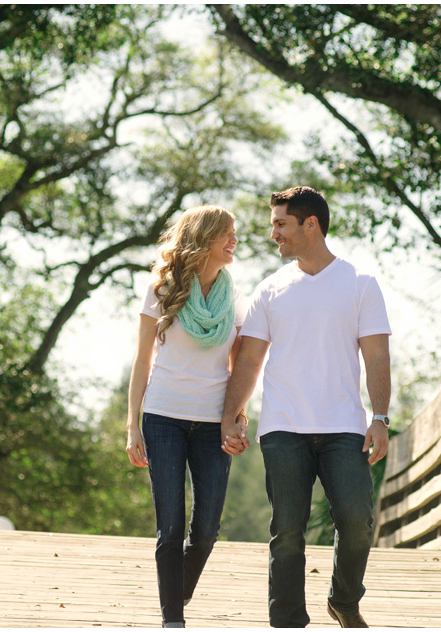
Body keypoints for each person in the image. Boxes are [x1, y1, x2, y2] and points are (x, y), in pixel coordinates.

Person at [220, 186, 391, 628]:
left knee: (356, 520)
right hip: (283, 426)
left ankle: (344, 599)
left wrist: (380, 418)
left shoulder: (360, 284)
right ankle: (288, 622)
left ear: (309, 224)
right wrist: (230, 415)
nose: (273, 233)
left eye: (281, 224)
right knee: (287, 534)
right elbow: (250, 358)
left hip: (344, 428)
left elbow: (375, 356)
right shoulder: (270, 290)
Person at [126, 205, 247, 628]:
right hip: (162, 417)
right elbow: (142, 362)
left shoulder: (235, 302)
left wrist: (238, 419)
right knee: (170, 526)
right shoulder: (161, 289)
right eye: (227, 234)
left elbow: (240, 371)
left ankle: (178, 591)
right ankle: (172, 620)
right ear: (205, 237)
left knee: (208, 526)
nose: (234, 241)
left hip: (213, 423)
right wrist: (132, 426)